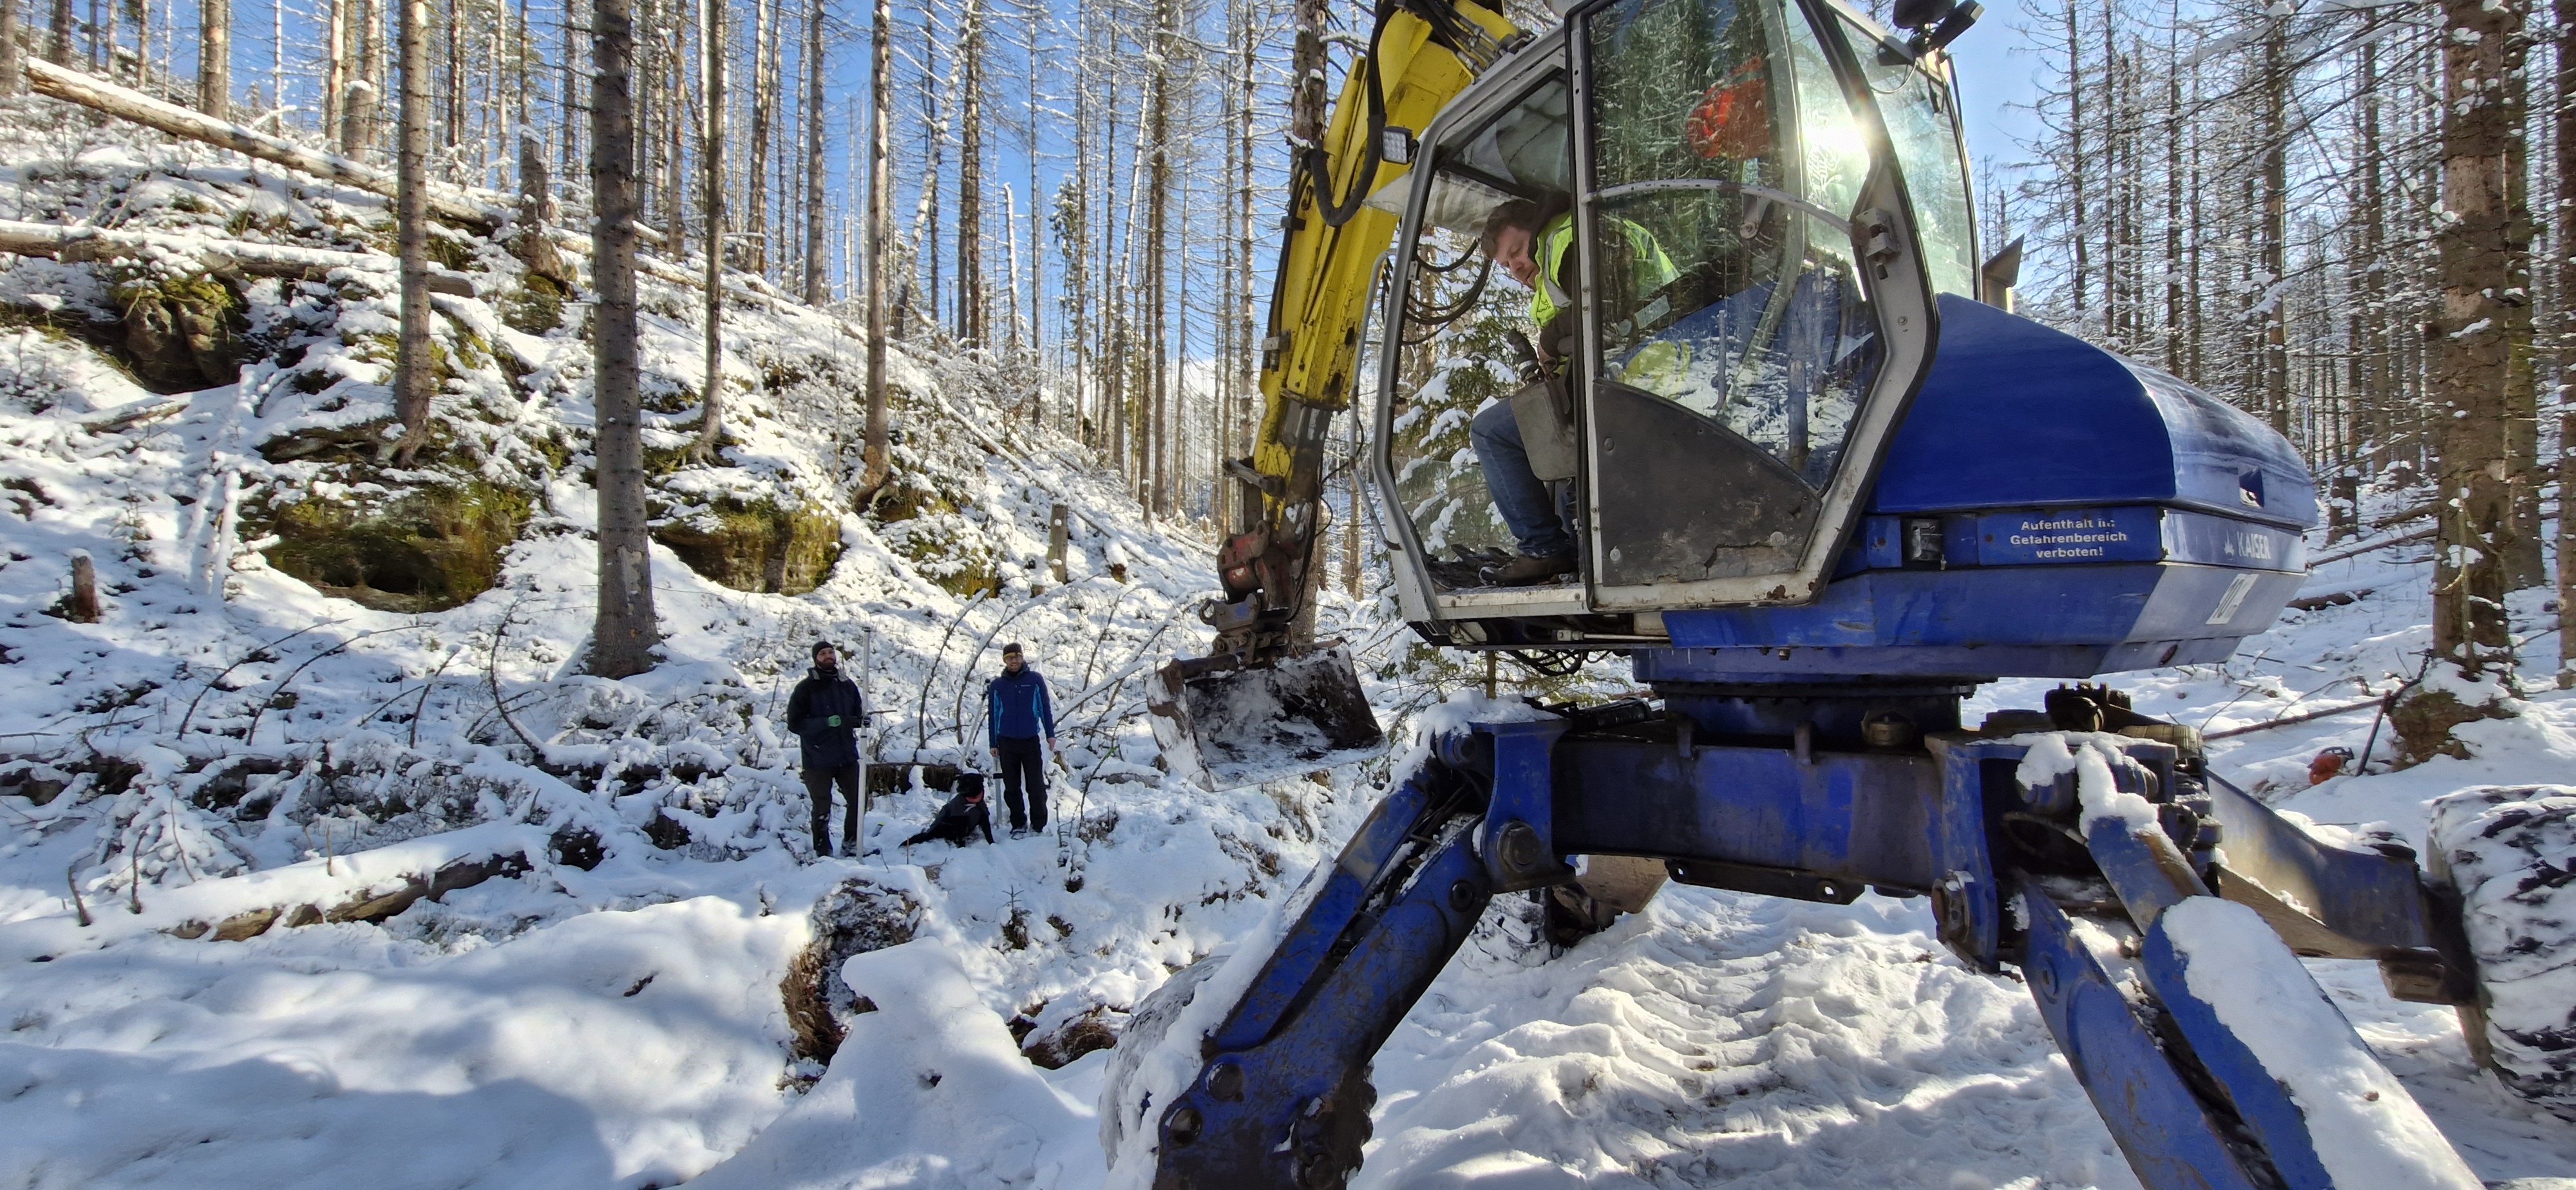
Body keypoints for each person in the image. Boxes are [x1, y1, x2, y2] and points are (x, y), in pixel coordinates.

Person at [1466, 198, 1676, 586]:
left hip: (1636, 377)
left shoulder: (1570, 239)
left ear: (1538, 226)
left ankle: (1544, 548)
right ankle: (1583, 560)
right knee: (1568, 480)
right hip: (1642, 372)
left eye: (1516, 251)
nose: (1515, 267)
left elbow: (1604, 307)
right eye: (1506, 266)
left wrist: (1548, 344)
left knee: (1491, 432)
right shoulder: (1574, 244)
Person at [784, 641, 866, 857]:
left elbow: (856, 715)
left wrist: (861, 720)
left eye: (831, 652)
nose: (828, 655)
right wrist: (826, 723)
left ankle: (851, 844)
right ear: (816, 659)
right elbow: (795, 724)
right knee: (822, 806)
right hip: (817, 758)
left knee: (859, 800)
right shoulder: (805, 689)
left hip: (846, 755)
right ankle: (823, 851)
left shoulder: (847, 685)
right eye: (823, 653)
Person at [983, 642, 1057, 838]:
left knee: (1036, 785)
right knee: (1012, 787)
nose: (1013, 661)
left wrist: (1050, 733)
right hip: (1007, 743)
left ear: (1022, 658)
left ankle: (1039, 824)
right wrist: (993, 743)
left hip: (1030, 741)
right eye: (1009, 658)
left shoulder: (1034, 680)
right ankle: (1018, 823)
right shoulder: (998, 685)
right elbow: (994, 714)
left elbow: (1044, 707)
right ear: (1004, 661)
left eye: (1016, 657)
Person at [902, 777, 996, 847]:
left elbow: (985, 822)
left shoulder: (980, 804)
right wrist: (961, 844)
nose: (959, 789)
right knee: (960, 823)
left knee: (983, 818)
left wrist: (991, 842)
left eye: (964, 786)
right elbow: (960, 826)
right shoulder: (958, 805)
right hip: (948, 828)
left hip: (964, 828)